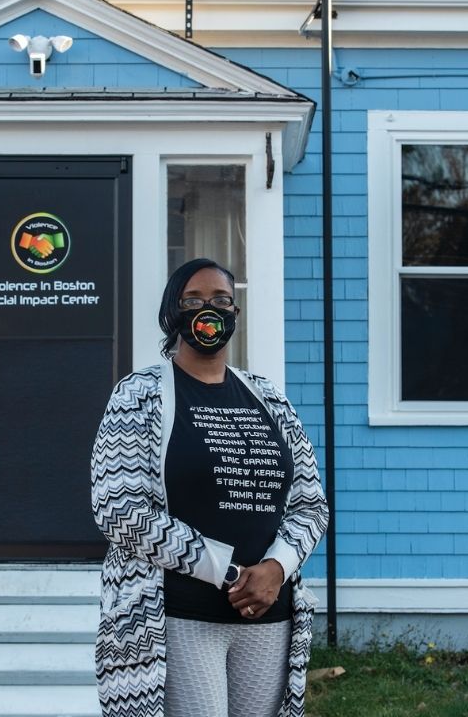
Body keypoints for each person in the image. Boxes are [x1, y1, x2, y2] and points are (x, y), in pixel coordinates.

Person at [91, 258, 329, 717]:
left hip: (267, 616)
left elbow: (309, 505)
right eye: (194, 301)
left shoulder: (268, 398)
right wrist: (233, 574)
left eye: (222, 300)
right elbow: (119, 508)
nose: (210, 310)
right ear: (172, 315)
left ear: (235, 313)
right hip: (177, 616)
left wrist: (276, 570)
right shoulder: (138, 396)